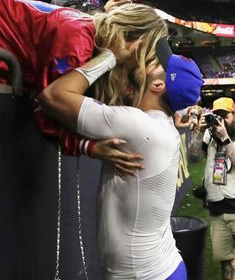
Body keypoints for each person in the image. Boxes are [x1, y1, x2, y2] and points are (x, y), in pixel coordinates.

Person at [39, 35, 203, 279]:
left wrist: (110, 56)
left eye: (156, 63)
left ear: (158, 86)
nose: (145, 61)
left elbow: (53, 96)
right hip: (161, 269)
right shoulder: (155, 125)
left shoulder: (139, 126)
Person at [0, 0, 167, 174]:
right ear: (137, 45)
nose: (146, 64)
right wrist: (88, 147)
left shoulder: (91, 36)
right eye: (148, 55)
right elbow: (46, 106)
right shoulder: (77, 38)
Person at [189, 97, 235, 280]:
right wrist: (200, 133)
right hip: (216, 208)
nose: (221, 120)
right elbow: (193, 158)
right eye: (217, 116)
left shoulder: (225, 135)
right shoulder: (209, 134)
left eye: (226, 115)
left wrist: (225, 138)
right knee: (227, 263)